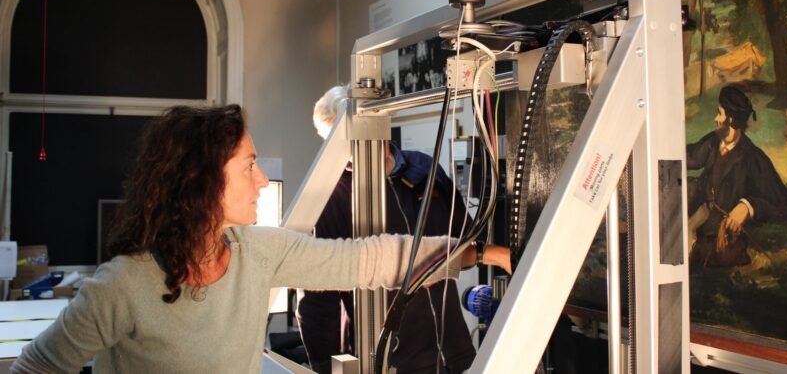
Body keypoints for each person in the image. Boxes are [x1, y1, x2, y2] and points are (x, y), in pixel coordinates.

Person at [11, 104, 510, 374]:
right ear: (201, 181)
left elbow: (375, 259)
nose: (263, 182)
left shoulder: (260, 252)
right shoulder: (120, 288)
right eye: (249, 166)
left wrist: (484, 253)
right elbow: (37, 367)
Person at [300, 86, 484, 374]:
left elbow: (467, 238)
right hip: (391, 362)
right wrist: (326, 367)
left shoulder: (424, 169)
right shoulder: (330, 198)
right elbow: (317, 301)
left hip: (455, 353)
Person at [686, 85, 787, 269]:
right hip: (698, 225)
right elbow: (691, 157)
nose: (716, 119)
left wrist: (747, 206)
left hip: (724, 244)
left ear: (731, 119)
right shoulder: (714, 141)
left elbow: (784, 207)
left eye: (720, 114)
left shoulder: (753, 158)